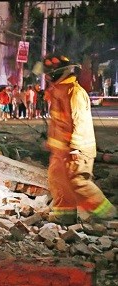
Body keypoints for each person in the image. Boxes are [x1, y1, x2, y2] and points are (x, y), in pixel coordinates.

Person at [43, 54, 116, 225]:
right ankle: (64, 215)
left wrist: (75, 146)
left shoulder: (73, 92)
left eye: (51, 72)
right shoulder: (59, 91)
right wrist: (52, 143)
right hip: (61, 150)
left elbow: (78, 121)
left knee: (78, 183)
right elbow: (60, 124)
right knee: (58, 180)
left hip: (76, 150)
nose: (48, 76)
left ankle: (108, 213)